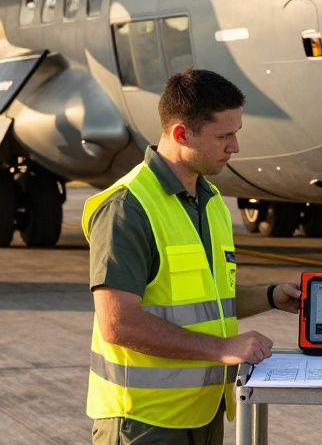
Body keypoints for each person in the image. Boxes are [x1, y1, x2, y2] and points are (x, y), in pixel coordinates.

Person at [83, 68, 301, 444]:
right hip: (144, 423)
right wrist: (222, 349)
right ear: (182, 134)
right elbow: (118, 324)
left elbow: (208, 304)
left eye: (236, 133)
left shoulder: (210, 202)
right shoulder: (127, 208)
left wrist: (270, 296)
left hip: (203, 414)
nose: (234, 147)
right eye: (224, 136)